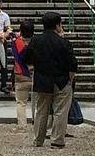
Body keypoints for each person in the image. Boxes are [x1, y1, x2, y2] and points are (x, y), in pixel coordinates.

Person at [21, 11, 77, 149]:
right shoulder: (63, 42)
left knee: (41, 111)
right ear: (58, 25)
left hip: (42, 78)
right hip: (61, 80)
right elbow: (72, 63)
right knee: (60, 111)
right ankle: (57, 140)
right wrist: (70, 77)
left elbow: (24, 56)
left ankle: (38, 139)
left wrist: (32, 66)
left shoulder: (36, 41)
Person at [11, 19, 35, 127]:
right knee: (39, 104)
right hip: (36, 74)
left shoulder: (16, 41)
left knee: (21, 103)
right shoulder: (37, 42)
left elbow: (9, 34)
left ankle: (22, 125)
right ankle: (38, 124)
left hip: (20, 73)